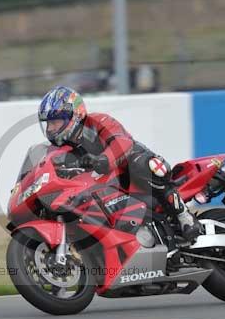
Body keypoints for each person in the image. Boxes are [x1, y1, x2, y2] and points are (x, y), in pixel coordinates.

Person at [38, 85, 203, 241]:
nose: (51, 128)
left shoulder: (98, 122)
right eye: (49, 124)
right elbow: (48, 167)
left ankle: (184, 216)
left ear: (74, 115)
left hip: (133, 169)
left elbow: (122, 143)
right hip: (108, 188)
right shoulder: (60, 148)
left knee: (144, 164)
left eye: (55, 122)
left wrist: (103, 159)